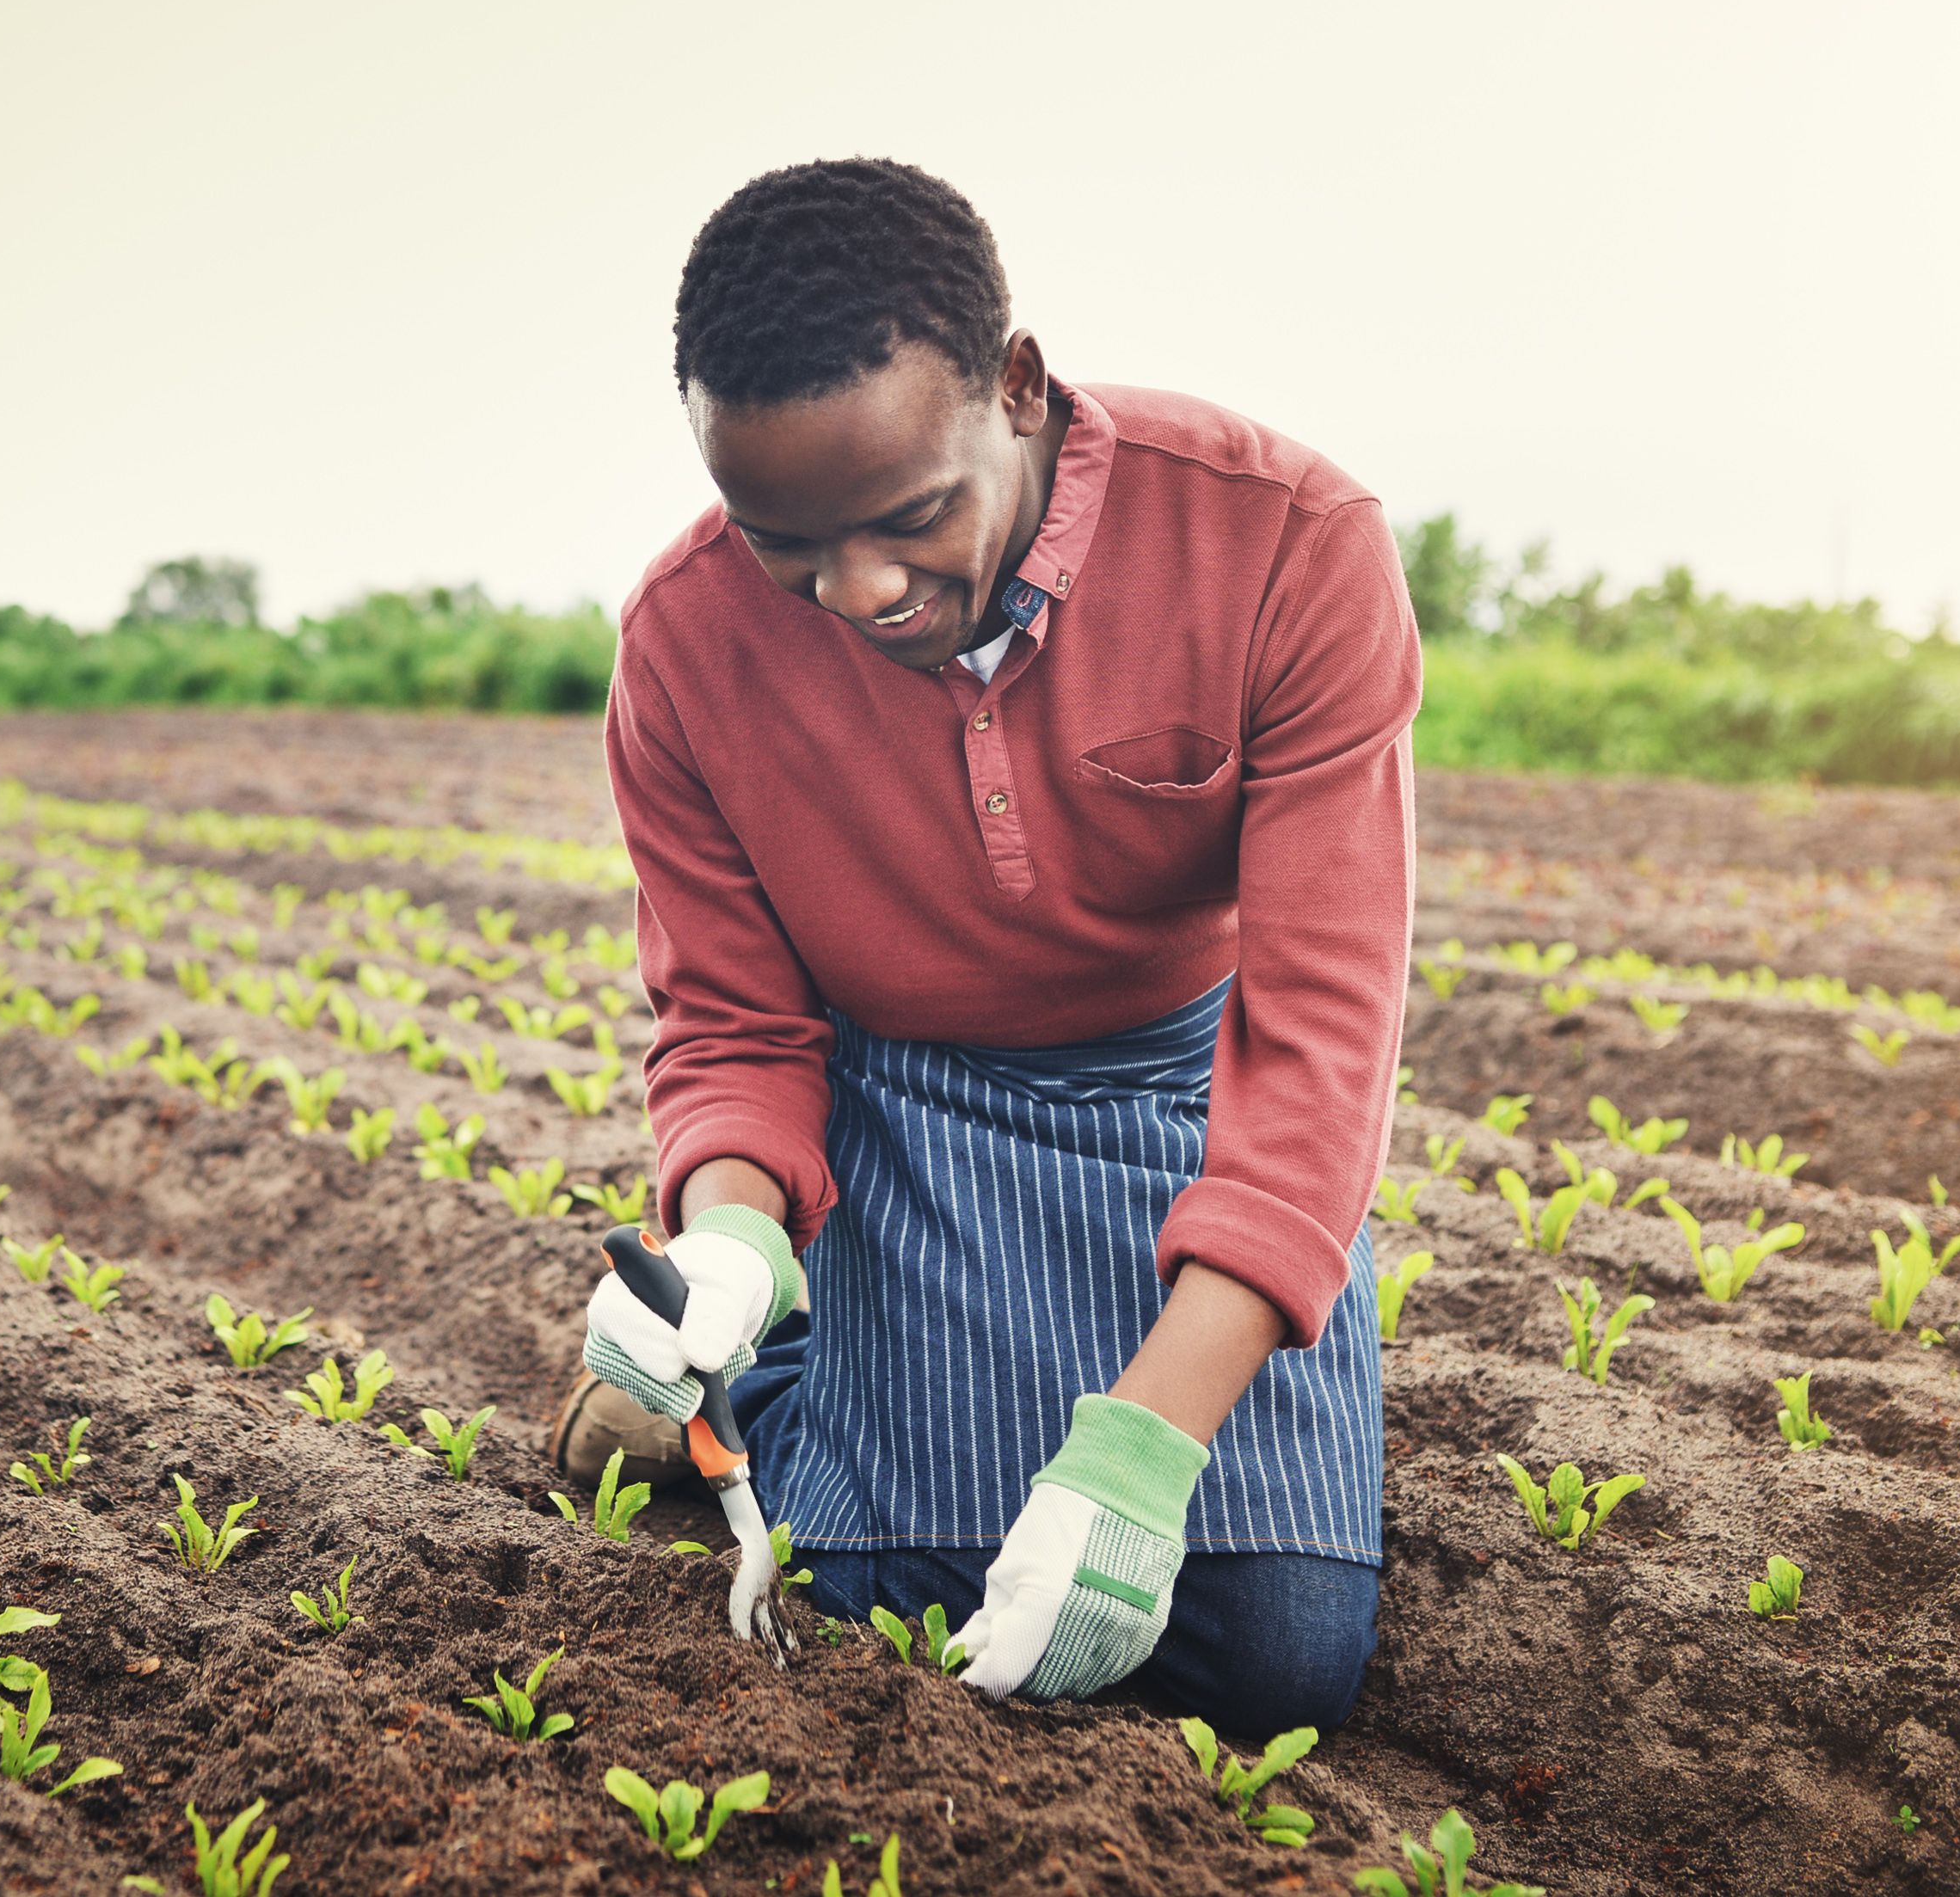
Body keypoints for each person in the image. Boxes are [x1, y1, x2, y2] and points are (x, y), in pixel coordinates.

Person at [550, 158, 1416, 1733]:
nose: (860, 592)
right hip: (908, 1105)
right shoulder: (680, 648)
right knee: (891, 1581)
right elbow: (737, 1028)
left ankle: (879, 1407)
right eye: (786, 545)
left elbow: (1317, 1044)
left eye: (909, 518)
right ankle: (752, 1385)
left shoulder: (1285, 544)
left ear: (1018, 388)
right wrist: (733, 1237)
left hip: (1187, 1102)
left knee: (1276, 1652)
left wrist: (1146, 1451)